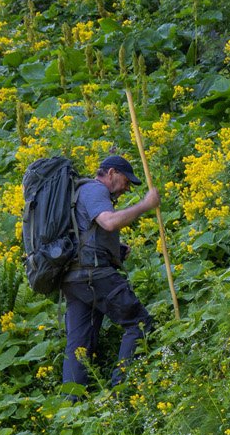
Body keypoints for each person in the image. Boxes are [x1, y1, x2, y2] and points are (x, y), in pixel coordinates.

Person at [61, 153, 161, 388]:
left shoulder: (78, 192)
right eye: (126, 182)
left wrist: (114, 249)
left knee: (78, 345)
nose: (125, 189)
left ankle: (72, 406)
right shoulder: (95, 190)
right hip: (93, 274)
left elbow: (86, 232)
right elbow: (110, 222)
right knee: (139, 323)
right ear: (112, 173)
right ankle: (122, 390)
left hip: (72, 278)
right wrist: (145, 205)